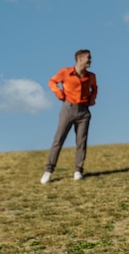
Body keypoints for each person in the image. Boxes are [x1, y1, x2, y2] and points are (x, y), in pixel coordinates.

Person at [40, 49, 98, 184]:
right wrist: (59, 94)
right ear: (80, 58)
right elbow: (52, 82)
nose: (90, 60)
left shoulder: (91, 76)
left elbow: (94, 88)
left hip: (84, 111)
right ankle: (48, 171)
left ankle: (78, 171)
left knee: (81, 142)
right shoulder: (65, 72)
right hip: (68, 108)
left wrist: (92, 98)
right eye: (88, 58)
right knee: (58, 140)